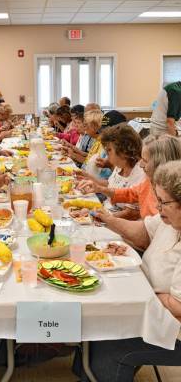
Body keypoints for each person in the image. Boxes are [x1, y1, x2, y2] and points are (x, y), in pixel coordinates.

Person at [76, 160, 181, 382]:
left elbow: (178, 308)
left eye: (163, 202)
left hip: (172, 331)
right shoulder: (170, 223)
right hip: (151, 311)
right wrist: (105, 218)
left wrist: (144, 292)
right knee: (97, 324)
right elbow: (142, 232)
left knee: (110, 348)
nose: (157, 207)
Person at [80, 135, 181, 220]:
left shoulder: (170, 197)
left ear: (160, 164)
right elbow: (130, 193)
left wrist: (105, 218)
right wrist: (99, 188)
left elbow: (145, 229)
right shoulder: (149, 182)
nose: (141, 165)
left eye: (145, 161)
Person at [76, 124, 144, 219]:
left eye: (109, 150)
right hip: (107, 212)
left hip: (120, 223)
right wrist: (87, 177)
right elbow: (110, 184)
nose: (107, 155)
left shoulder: (140, 173)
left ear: (124, 150)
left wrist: (95, 215)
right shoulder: (120, 166)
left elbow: (131, 214)